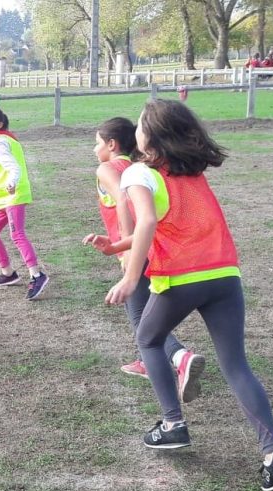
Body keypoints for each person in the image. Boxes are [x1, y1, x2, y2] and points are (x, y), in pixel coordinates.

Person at [104, 100, 273, 491]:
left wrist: (129, 276)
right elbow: (166, 221)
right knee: (236, 366)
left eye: (141, 123)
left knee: (148, 339)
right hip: (224, 274)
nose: (136, 129)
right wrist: (115, 247)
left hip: (182, 276)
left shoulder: (138, 172)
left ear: (150, 136)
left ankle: (173, 424)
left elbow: (148, 220)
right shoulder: (191, 173)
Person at [82, 117, 204, 398]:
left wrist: (126, 248)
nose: (94, 149)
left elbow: (123, 200)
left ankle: (179, 357)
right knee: (147, 311)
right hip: (156, 244)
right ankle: (147, 360)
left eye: (97, 143)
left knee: (140, 317)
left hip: (139, 246)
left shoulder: (107, 168)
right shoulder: (140, 165)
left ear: (112, 145)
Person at [0, 106, 49, 300]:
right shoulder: (2, 140)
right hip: (4, 197)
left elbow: (13, 167)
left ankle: (37, 275)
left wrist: (12, 183)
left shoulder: (0, 142)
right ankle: (8, 273)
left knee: (17, 234)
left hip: (12, 195)